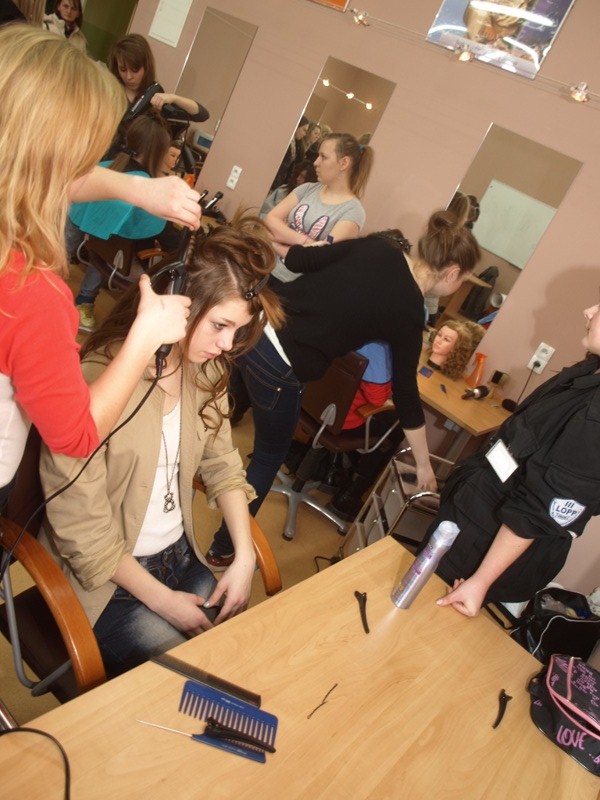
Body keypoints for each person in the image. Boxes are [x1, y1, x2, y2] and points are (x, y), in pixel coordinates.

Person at [39, 212, 285, 677]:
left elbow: (223, 464)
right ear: (180, 304)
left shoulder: (205, 370)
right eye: (219, 325)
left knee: (238, 662)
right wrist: (162, 601)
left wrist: (243, 556)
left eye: (237, 331)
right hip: (106, 581)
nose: (226, 345)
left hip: (178, 556)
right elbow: (81, 529)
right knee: (191, 682)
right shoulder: (100, 381)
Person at [206, 213, 481, 566]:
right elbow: (405, 393)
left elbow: (300, 260)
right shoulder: (411, 312)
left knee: (213, 412)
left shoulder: (380, 247)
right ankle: (224, 549)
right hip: (281, 365)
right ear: (452, 273)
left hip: (252, 325)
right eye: (464, 280)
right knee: (267, 457)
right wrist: (424, 465)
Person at [0, 25, 191, 513]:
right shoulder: (30, 295)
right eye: (85, 156)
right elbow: (76, 435)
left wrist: (138, 188)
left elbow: (44, 172)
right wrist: (145, 336)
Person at [431, 298, 600, 618]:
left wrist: (480, 582)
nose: (588, 311)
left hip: (482, 549)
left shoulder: (595, 415)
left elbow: (542, 510)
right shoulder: (587, 372)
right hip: (471, 514)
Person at [69, 113, 178, 332]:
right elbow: (164, 234)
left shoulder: (107, 167)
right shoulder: (144, 186)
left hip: (87, 241)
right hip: (112, 256)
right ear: (157, 151)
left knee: (100, 245)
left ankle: (79, 300)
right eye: (170, 153)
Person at [266, 132, 373, 283]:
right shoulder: (307, 189)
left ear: (344, 163)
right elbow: (269, 221)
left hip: (292, 286)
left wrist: (278, 240)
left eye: (323, 157)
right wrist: (306, 242)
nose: (316, 162)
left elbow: (320, 259)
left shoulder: (353, 212)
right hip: (267, 267)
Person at [108, 33, 209, 150]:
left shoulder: (154, 97)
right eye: (123, 69)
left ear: (146, 66)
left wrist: (174, 98)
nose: (129, 77)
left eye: (135, 70)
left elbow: (202, 115)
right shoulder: (109, 92)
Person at [270, 115, 309, 192]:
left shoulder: (295, 143)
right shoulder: (286, 141)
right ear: (297, 126)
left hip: (279, 180)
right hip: (273, 179)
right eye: (304, 130)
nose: (304, 134)